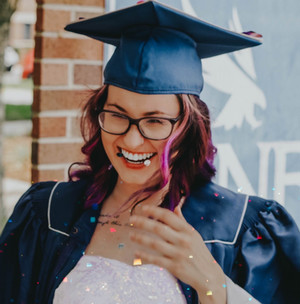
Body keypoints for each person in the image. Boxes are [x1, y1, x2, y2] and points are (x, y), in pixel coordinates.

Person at [1, 1, 300, 303]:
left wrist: (211, 283)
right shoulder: (48, 215)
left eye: (155, 121)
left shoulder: (238, 232)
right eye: (117, 115)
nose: (131, 141)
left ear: (189, 128)